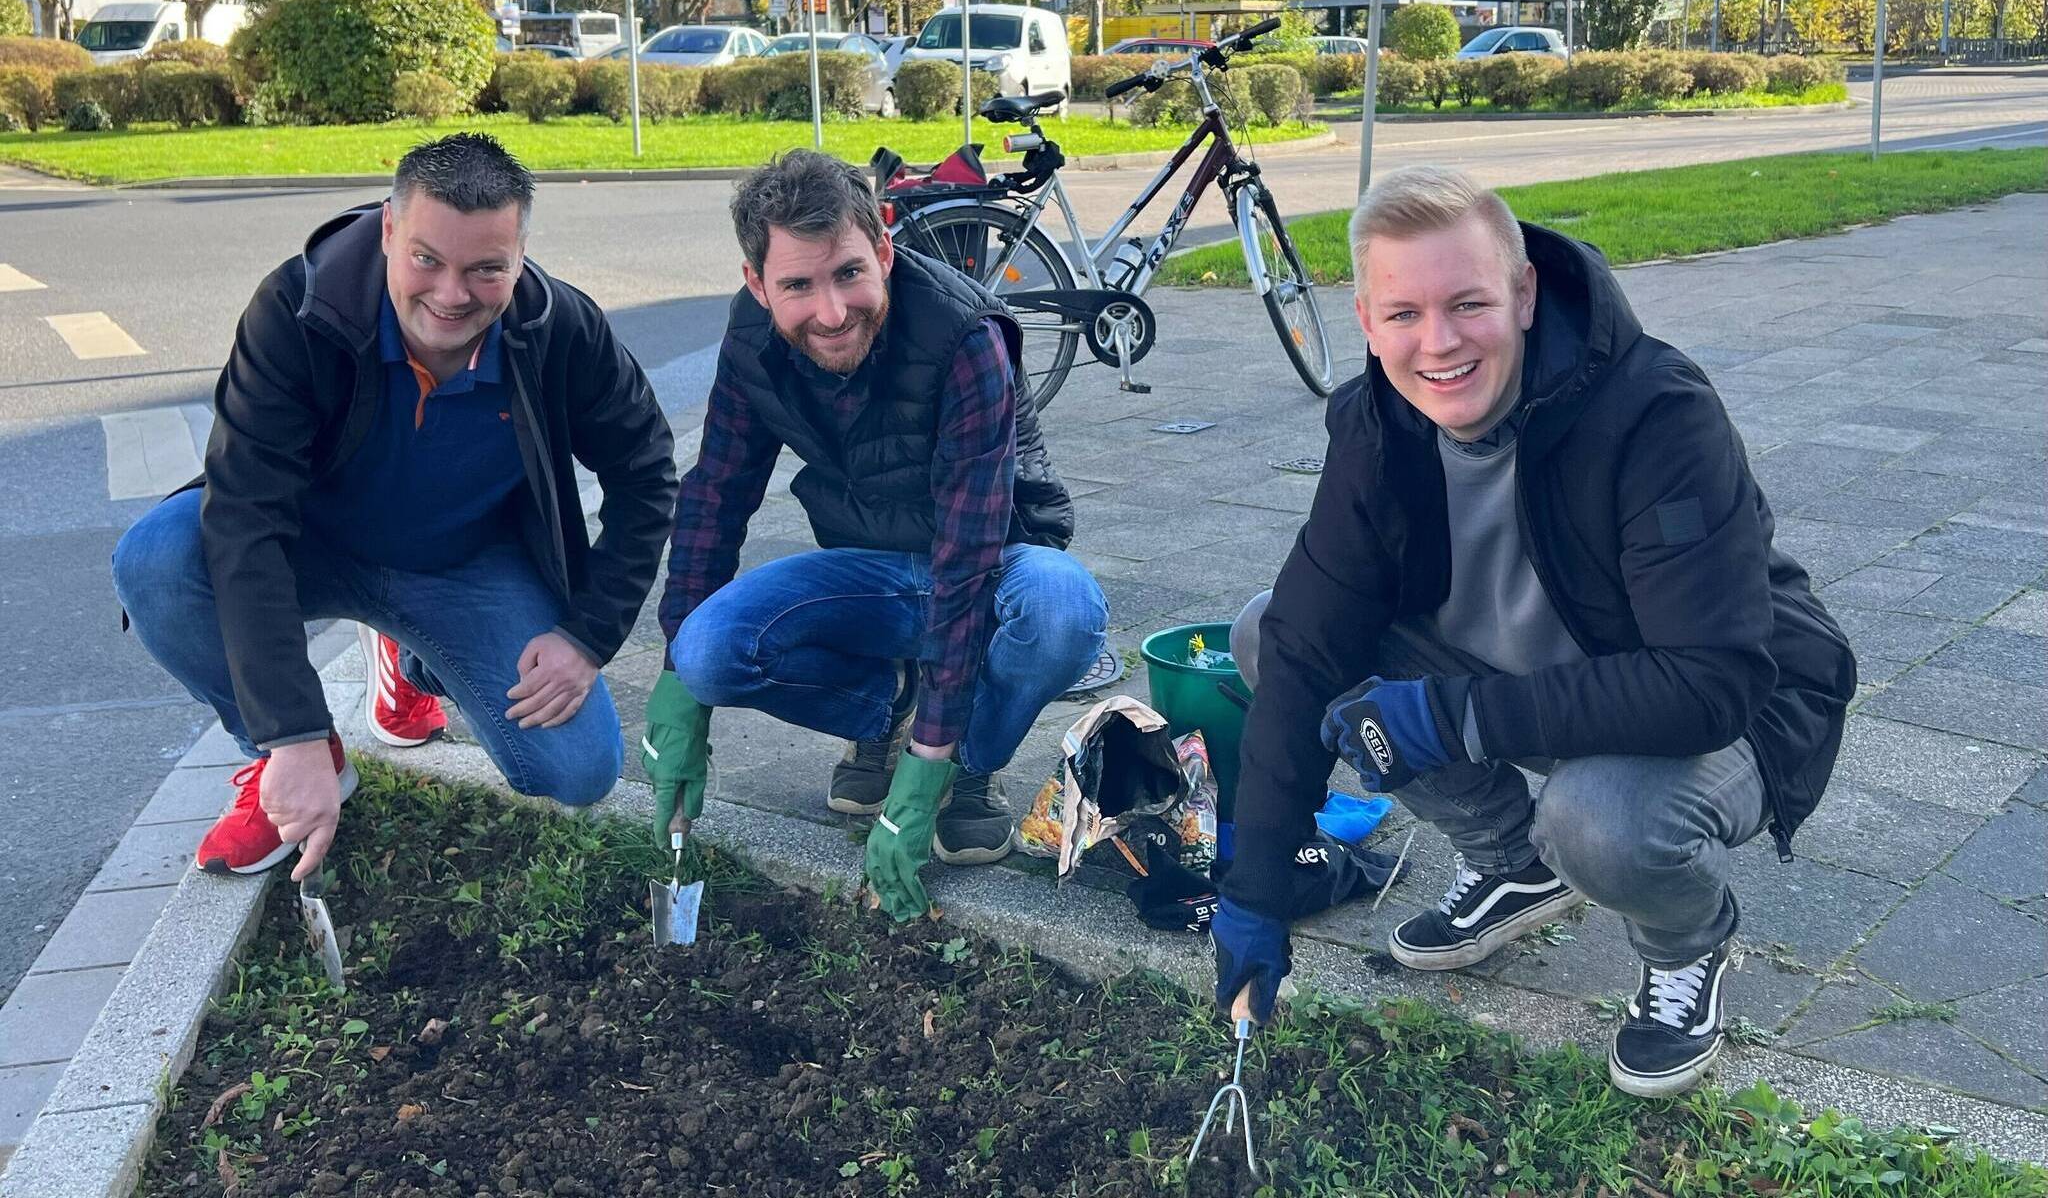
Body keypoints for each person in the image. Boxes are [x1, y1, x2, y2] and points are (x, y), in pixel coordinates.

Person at [1210, 166, 1855, 1098]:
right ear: (1363, 318)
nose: (1437, 343)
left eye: (1468, 302)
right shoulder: (1374, 424)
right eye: (1403, 314)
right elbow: (1309, 643)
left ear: (1523, 294)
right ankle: (1514, 865)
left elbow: (1710, 680)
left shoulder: (1657, 413)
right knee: (1267, 637)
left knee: (1599, 820)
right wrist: (1257, 883)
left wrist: (1459, 715)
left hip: (1737, 700)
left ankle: (1687, 943)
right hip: (1532, 679)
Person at [112, 133, 677, 881]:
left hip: (463, 562)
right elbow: (247, 521)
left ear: (520, 253)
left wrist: (587, 635)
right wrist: (293, 734)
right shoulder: (297, 311)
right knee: (155, 560)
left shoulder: (560, 328)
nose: (451, 295)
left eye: (486, 269)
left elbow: (647, 473)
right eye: (426, 260)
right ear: (387, 230)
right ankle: (294, 766)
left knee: (578, 769)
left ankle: (416, 658)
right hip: (312, 543)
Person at [641, 149, 1107, 920]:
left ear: (884, 250)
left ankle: (967, 764)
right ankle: (887, 707)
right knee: (706, 649)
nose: (831, 311)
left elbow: (965, 562)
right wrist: (676, 688)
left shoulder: (965, 336)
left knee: (1064, 609)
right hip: (871, 566)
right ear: (758, 284)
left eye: (849, 273)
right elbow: (716, 495)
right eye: (797, 284)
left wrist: (928, 768)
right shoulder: (752, 336)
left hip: (994, 561)